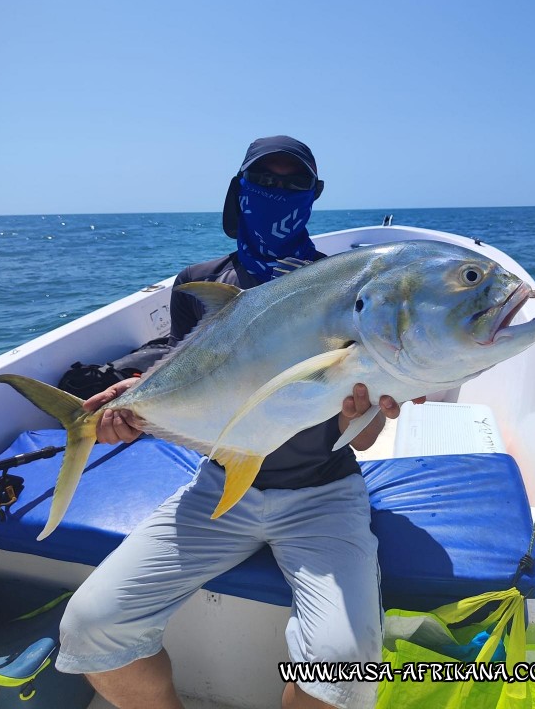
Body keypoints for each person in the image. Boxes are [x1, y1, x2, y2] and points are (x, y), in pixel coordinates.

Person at [56, 136, 424, 709]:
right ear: (240, 190)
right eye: (265, 182)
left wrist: (374, 408)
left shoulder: (346, 292)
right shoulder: (199, 283)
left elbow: (367, 437)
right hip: (219, 486)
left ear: (314, 195)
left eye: (292, 184)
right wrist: (139, 404)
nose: (278, 194)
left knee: (346, 673)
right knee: (89, 624)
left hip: (322, 494)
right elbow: (189, 383)